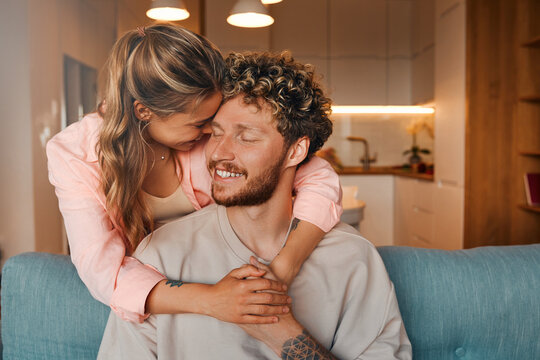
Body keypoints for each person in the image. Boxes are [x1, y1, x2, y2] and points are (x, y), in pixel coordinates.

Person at [97, 51, 411, 359]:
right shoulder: (162, 255)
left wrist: (286, 335)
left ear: (295, 151)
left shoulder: (353, 260)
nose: (220, 152)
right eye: (214, 134)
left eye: (246, 137)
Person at [46, 24, 343, 324]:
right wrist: (212, 299)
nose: (210, 134)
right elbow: (102, 270)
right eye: (199, 124)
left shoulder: (211, 130)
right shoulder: (74, 153)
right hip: (159, 297)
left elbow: (320, 178)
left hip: (228, 272)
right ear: (143, 112)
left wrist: (285, 266)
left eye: (213, 121)